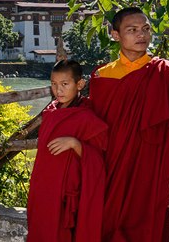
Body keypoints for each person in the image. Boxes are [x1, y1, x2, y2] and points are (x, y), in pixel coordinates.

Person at [90, 7, 169, 241]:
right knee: (106, 228)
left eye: (146, 29)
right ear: (115, 34)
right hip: (112, 172)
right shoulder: (101, 77)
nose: (142, 35)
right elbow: (94, 132)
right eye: (132, 30)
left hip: (154, 173)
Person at [27, 59, 108, 242]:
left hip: (67, 195)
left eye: (65, 84)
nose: (59, 90)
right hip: (43, 189)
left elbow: (100, 161)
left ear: (80, 84)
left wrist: (75, 144)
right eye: (54, 84)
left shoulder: (87, 117)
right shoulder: (51, 111)